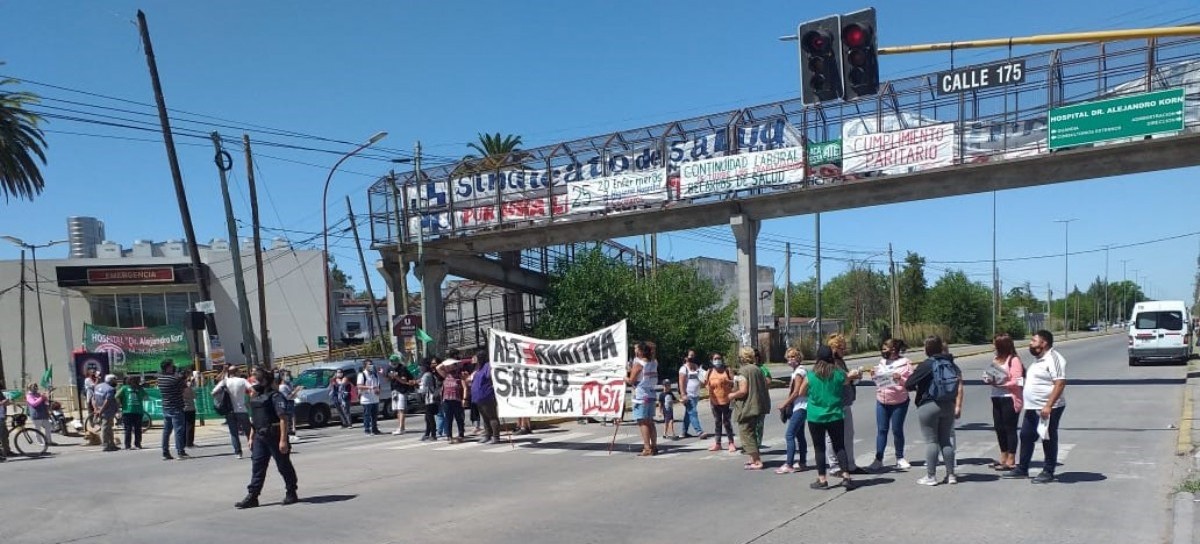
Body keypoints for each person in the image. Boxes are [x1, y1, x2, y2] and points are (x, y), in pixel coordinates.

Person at [1004, 330, 1067, 484]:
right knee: (1026, 436)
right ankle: (1022, 468)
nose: (1030, 343)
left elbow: (1060, 383)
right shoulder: (1038, 360)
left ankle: (1048, 470)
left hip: (1048, 407)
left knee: (1047, 438)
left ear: (1044, 343)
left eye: (1033, 340)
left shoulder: (1054, 359)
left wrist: (1049, 406)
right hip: (1033, 407)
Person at [235, 366, 299, 509]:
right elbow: (255, 419)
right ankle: (253, 496)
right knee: (257, 466)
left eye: (255, 377)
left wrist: (283, 440)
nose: (252, 379)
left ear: (264, 379)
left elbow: (283, 418)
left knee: (283, 465)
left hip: (274, 434)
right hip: (259, 435)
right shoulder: (255, 396)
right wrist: (251, 437)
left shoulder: (275, 396)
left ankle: (291, 492)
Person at [905, 335, 964, 486]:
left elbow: (909, 383)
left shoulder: (927, 364)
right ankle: (951, 475)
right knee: (946, 440)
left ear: (927, 349)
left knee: (931, 441)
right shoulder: (949, 363)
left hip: (929, 404)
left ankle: (931, 476)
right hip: (948, 404)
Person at [870, 338, 914, 472]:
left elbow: (911, 383)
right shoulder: (882, 362)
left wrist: (900, 379)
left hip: (899, 401)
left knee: (897, 430)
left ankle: (900, 457)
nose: (883, 352)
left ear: (894, 350)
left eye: (885, 349)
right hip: (882, 400)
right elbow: (880, 381)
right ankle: (878, 459)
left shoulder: (905, 363)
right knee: (882, 430)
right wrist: (874, 376)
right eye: (882, 349)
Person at [825, 333, 866, 475]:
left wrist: (855, 377)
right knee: (832, 437)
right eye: (842, 348)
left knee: (848, 434)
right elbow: (838, 380)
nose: (844, 351)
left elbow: (846, 378)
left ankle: (850, 464)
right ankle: (835, 466)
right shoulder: (831, 363)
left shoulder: (841, 361)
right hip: (836, 403)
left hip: (845, 402)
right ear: (834, 348)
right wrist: (850, 376)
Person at [983, 333, 1024, 471]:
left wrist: (1003, 384)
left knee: (1009, 429)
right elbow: (989, 374)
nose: (993, 346)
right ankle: (1003, 457)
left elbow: (1018, 380)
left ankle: (1011, 459)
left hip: (1009, 397)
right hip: (996, 396)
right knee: (999, 428)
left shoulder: (1014, 360)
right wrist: (988, 378)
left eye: (995, 343)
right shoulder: (995, 359)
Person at [729, 346, 770, 470]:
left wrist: (732, 395)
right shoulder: (758, 369)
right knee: (752, 432)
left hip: (747, 407)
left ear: (742, 357)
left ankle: (757, 461)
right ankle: (752, 459)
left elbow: (743, 390)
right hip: (758, 406)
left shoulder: (744, 371)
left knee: (747, 434)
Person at [776, 347, 809, 474]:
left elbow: (796, 392)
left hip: (801, 406)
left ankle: (789, 463)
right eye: (789, 357)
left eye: (793, 357)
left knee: (789, 435)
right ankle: (802, 462)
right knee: (800, 435)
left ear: (799, 358)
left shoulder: (799, 372)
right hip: (800, 406)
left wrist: (784, 404)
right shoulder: (798, 371)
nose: (791, 360)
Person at [626, 341, 659, 457]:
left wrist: (624, 377)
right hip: (651, 394)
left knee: (642, 422)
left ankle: (647, 448)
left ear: (641, 351)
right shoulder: (654, 362)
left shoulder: (639, 364)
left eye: (636, 349)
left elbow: (631, 380)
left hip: (641, 395)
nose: (635, 351)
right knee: (650, 421)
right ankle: (654, 446)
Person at [216, 366, 252, 458]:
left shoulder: (225, 381)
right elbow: (252, 390)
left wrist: (223, 398)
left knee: (233, 432)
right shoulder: (242, 381)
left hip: (229, 410)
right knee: (248, 431)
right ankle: (253, 449)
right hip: (242, 409)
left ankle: (238, 452)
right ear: (237, 372)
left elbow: (213, 392)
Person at [158, 359, 191, 460]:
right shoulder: (175, 379)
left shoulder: (160, 379)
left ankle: (165, 452)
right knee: (179, 430)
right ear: (168, 367)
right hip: (176, 407)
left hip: (166, 407)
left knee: (166, 431)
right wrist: (183, 377)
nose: (174, 367)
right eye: (172, 366)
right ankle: (180, 451)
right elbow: (184, 388)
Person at [705, 354, 736, 452]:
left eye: (719, 358)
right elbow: (705, 383)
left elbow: (735, 382)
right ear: (712, 360)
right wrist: (708, 388)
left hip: (727, 400)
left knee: (726, 422)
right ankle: (718, 443)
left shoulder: (727, 370)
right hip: (714, 401)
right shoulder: (709, 371)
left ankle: (731, 443)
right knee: (717, 422)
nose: (717, 360)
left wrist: (728, 381)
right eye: (715, 359)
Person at [470, 351, 501, 444]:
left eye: (475, 357)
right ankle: (487, 435)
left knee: (492, 417)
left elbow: (490, 377)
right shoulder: (478, 368)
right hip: (479, 397)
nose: (474, 359)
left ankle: (496, 437)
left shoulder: (487, 366)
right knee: (485, 418)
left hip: (487, 395)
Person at [677, 350, 706, 439]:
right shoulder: (683, 369)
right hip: (688, 395)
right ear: (686, 358)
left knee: (688, 413)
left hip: (696, 394)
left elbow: (701, 380)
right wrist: (683, 394)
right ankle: (699, 431)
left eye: (693, 356)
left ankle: (683, 432)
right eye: (690, 356)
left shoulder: (696, 367)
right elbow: (681, 382)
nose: (692, 358)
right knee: (693, 412)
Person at [437, 359, 467, 443]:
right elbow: (438, 368)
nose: (449, 367)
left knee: (459, 418)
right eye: (448, 366)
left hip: (457, 400)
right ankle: (449, 436)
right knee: (448, 418)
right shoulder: (446, 375)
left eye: (452, 365)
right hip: (447, 400)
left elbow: (465, 387)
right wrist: (447, 362)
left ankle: (461, 435)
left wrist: (464, 399)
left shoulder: (459, 375)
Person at [116, 375, 147, 450]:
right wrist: (120, 405)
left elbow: (146, 397)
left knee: (138, 429)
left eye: (135, 381)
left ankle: (138, 444)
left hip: (138, 411)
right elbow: (116, 396)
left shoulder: (140, 389)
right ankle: (127, 445)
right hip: (127, 411)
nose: (134, 382)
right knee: (128, 429)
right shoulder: (124, 388)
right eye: (132, 380)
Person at [388, 354, 416, 435]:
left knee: (401, 409)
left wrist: (396, 377)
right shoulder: (390, 368)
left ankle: (401, 428)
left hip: (402, 390)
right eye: (391, 361)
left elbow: (404, 381)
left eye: (393, 361)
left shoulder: (402, 368)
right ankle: (400, 427)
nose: (392, 363)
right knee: (397, 410)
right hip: (394, 390)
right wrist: (384, 374)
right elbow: (387, 378)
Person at [92, 374, 120, 452]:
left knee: (109, 428)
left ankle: (112, 444)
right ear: (111, 381)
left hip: (99, 410)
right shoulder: (110, 389)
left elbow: (93, 399)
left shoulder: (98, 386)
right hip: (107, 412)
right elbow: (107, 401)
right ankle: (106, 445)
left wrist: (95, 409)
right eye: (115, 380)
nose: (116, 382)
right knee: (105, 428)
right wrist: (101, 411)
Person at [418, 357, 442, 441]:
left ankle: (433, 435)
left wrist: (416, 388)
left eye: (421, 366)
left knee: (429, 417)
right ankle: (427, 433)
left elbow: (423, 389)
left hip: (429, 398)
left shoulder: (426, 375)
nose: (420, 367)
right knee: (427, 417)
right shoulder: (430, 374)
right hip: (431, 398)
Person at [357, 359, 383, 435]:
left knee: (374, 415)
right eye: (369, 364)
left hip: (375, 398)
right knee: (367, 415)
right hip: (366, 398)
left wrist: (378, 390)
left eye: (371, 364)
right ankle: (367, 429)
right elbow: (359, 386)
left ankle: (375, 429)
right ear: (365, 366)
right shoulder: (362, 374)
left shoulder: (374, 374)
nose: (371, 366)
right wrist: (370, 387)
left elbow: (378, 384)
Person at [277, 372, 301, 437]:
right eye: (286, 375)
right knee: (288, 420)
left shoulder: (288, 385)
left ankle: (291, 432)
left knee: (291, 418)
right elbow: (287, 397)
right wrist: (296, 391)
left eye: (288, 375)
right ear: (282, 377)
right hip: (287, 404)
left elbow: (292, 395)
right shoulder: (282, 387)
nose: (288, 377)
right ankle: (288, 434)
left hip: (291, 403)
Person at [182, 375, 197, 448]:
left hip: (182, 408)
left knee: (183, 426)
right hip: (190, 408)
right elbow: (194, 396)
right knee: (190, 426)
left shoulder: (178, 388)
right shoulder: (188, 388)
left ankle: (183, 441)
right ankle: (189, 442)